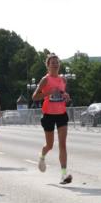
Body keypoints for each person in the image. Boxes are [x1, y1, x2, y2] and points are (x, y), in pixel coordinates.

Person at [32, 53, 73, 184]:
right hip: (48, 115)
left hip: (61, 114)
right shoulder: (45, 79)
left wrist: (66, 96)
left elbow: (63, 94)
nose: (55, 64)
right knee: (49, 145)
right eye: (53, 62)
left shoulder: (63, 80)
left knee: (63, 144)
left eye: (57, 62)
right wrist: (48, 93)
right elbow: (34, 96)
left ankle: (63, 174)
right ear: (48, 65)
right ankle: (42, 156)